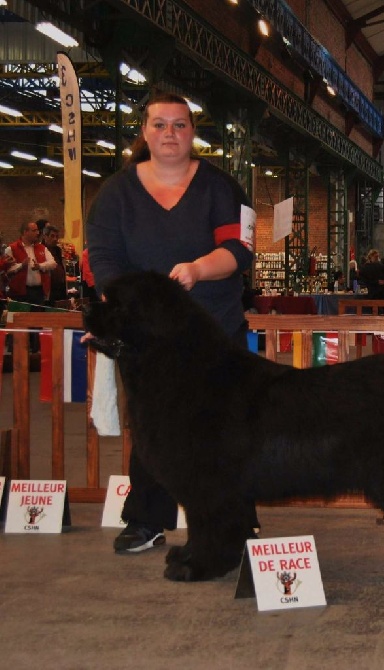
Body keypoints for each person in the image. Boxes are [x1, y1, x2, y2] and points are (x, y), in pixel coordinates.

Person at [85, 90, 259, 554]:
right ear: (144, 132)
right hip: (145, 341)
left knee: (228, 428)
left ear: (192, 133)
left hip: (215, 332)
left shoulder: (223, 187)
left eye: (180, 124)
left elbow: (241, 251)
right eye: (160, 124)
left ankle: (239, 521)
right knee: (155, 429)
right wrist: (124, 309)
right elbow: (102, 257)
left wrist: (199, 268)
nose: (169, 133)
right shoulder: (114, 193)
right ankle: (147, 519)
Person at [5, 221, 57, 305]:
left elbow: (53, 263)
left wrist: (40, 266)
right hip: (19, 293)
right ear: (25, 232)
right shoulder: (11, 248)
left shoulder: (41, 248)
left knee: (37, 317)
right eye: (34, 230)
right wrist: (21, 265)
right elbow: (7, 269)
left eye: (37, 230)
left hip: (38, 292)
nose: (37, 233)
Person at [42, 224, 68, 304]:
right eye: (52, 236)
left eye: (57, 236)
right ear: (45, 236)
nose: (55, 239)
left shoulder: (58, 250)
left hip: (61, 289)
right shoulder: (41, 250)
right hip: (49, 289)